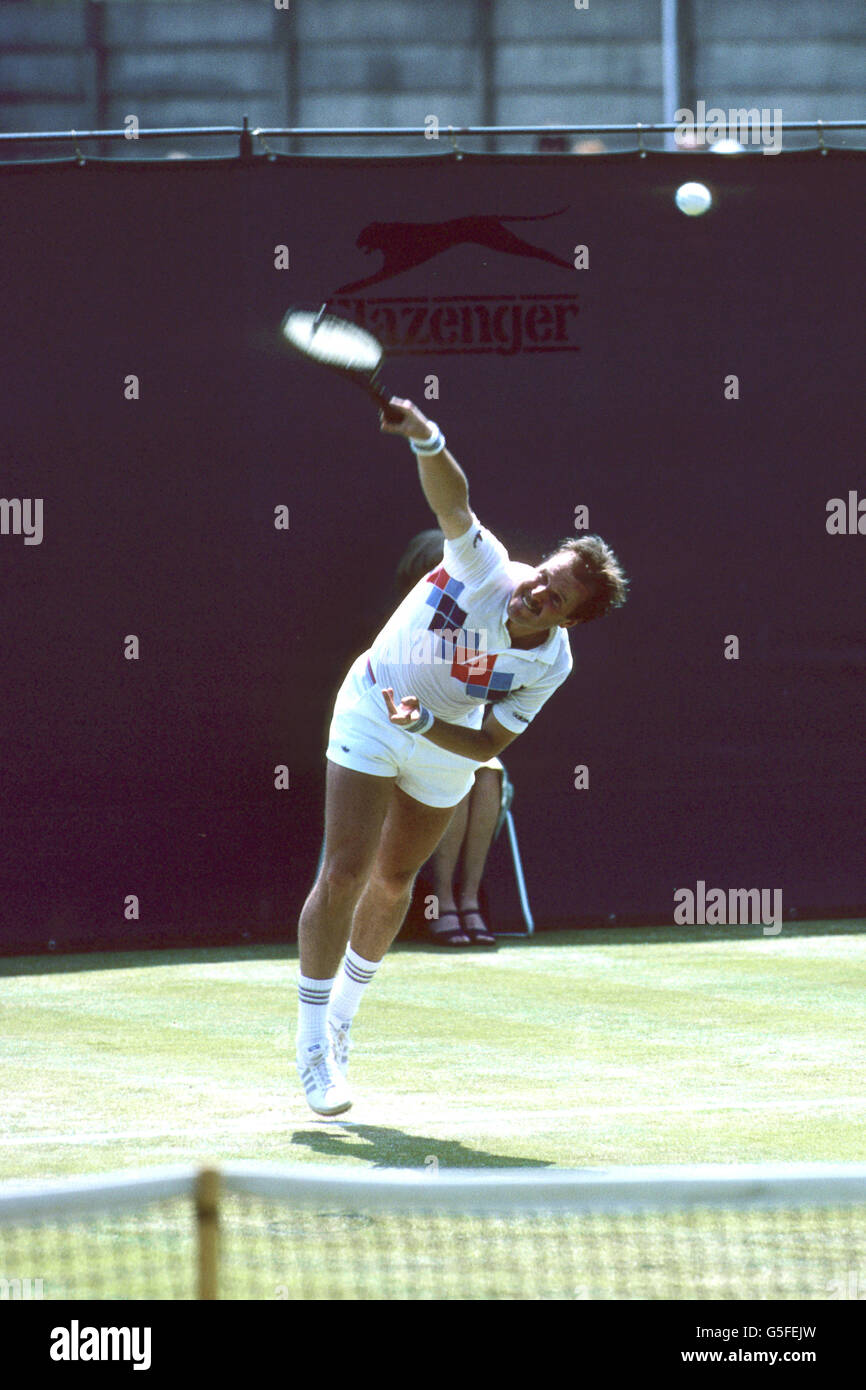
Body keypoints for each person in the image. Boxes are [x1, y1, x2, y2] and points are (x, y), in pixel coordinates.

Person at [295, 398, 629, 1115]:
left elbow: (484, 745)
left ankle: (345, 1020)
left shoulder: (551, 664)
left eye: (555, 598)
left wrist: (422, 725)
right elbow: (455, 500)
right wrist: (426, 435)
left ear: (571, 621)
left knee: (394, 882)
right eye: (545, 573)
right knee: (346, 869)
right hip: (372, 705)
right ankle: (312, 1044)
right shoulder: (485, 566)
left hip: (441, 738)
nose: (536, 591)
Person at [396, 528, 504, 948]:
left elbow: (480, 694)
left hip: (458, 739)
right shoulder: (401, 623)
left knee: (487, 772)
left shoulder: (476, 630)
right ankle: (440, 901)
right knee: (457, 772)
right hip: (402, 741)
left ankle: (468, 898)